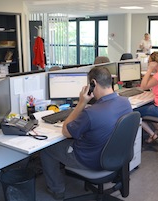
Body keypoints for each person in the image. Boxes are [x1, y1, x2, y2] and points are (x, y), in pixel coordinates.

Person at [40, 67, 132, 200]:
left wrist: (82, 103)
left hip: (91, 160)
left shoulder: (91, 113)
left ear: (93, 83)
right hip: (114, 156)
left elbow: (66, 132)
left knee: (46, 149)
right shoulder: (125, 102)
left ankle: (57, 190)